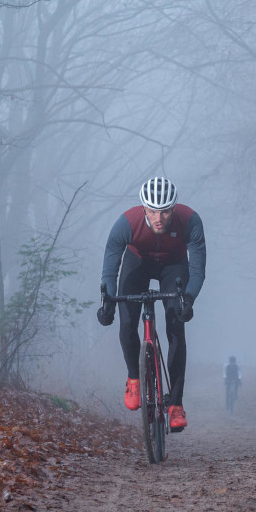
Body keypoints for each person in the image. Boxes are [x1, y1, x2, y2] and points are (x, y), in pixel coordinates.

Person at [97, 177, 205, 431]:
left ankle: (175, 405)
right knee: (127, 321)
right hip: (138, 263)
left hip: (174, 266)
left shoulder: (190, 221)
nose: (159, 218)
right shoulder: (126, 223)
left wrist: (187, 299)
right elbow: (110, 270)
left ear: (174, 208)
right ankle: (134, 377)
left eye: (166, 211)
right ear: (143, 207)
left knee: (175, 325)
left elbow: (198, 270)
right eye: (153, 210)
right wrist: (108, 303)